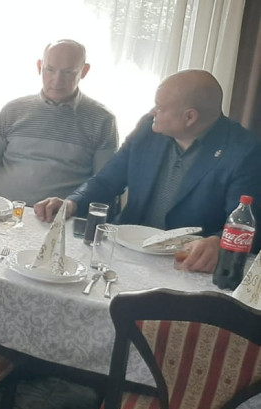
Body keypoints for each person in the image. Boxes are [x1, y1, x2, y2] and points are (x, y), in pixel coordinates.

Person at [35, 69, 261, 272]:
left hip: (184, 263)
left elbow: (247, 224)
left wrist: (216, 242)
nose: (153, 111)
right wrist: (73, 202)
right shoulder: (148, 129)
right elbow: (107, 180)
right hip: (124, 250)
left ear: (190, 117)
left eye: (160, 108)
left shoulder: (244, 152)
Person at [0, 40, 118, 203]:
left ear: (84, 71)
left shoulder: (102, 120)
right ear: (40, 67)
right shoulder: (13, 110)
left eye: (68, 72)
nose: (57, 80)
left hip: (61, 221)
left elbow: (104, 183)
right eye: (50, 70)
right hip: (1, 215)